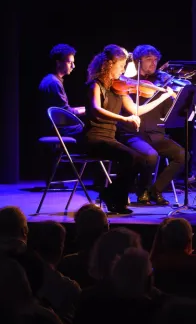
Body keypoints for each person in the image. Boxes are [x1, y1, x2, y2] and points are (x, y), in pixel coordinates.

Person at [81, 44, 174, 214]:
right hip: (94, 137)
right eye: (121, 66)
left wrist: (161, 92)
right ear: (109, 65)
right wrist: (124, 118)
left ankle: (112, 195)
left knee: (139, 159)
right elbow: (96, 109)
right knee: (130, 157)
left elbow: (135, 108)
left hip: (110, 137)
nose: (124, 71)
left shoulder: (118, 88)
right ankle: (115, 197)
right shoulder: (95, 85)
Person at [117, 45, 185, 205]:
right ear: (137, 61)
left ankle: (155, 190)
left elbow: (168, 113)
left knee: (182, 155)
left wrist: (175, 99)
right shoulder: (127, 82)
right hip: (133, 134)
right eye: (149, 60)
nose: (153, 63)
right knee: (151, 155)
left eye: (155, 60)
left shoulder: (162, 81)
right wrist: (162, 95)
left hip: (156, 133)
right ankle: (141, 191)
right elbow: (134, 109)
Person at [38, 44, 85, 132]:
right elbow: (65, 114)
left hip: (56, 126)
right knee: (91, 131)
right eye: (70, 62)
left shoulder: (51, 79)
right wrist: (87, 111)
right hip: (56, 129)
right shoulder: (53, 83)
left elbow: (64, 110)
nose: (73, 66)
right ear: (58, 63)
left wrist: (84, 108)